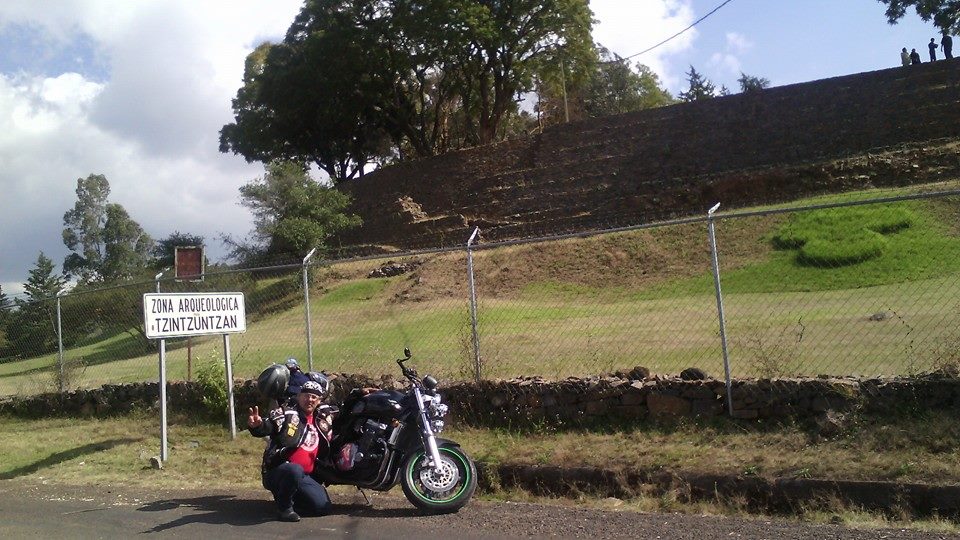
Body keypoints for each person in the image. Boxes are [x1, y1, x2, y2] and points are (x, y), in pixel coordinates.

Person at [247, 379, 335, 522]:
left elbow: (343, 410)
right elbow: (269, 425)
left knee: (322, 507)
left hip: (304, 476)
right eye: (306, 395)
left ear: (319, 401)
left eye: (314, 397)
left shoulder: (322, 418)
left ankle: (289, 499)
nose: (309, 399)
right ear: (299, 396)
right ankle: (284, 509)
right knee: (294, 470)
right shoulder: (287, 413)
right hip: (278, 470)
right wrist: (258, 426)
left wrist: (360, 393)